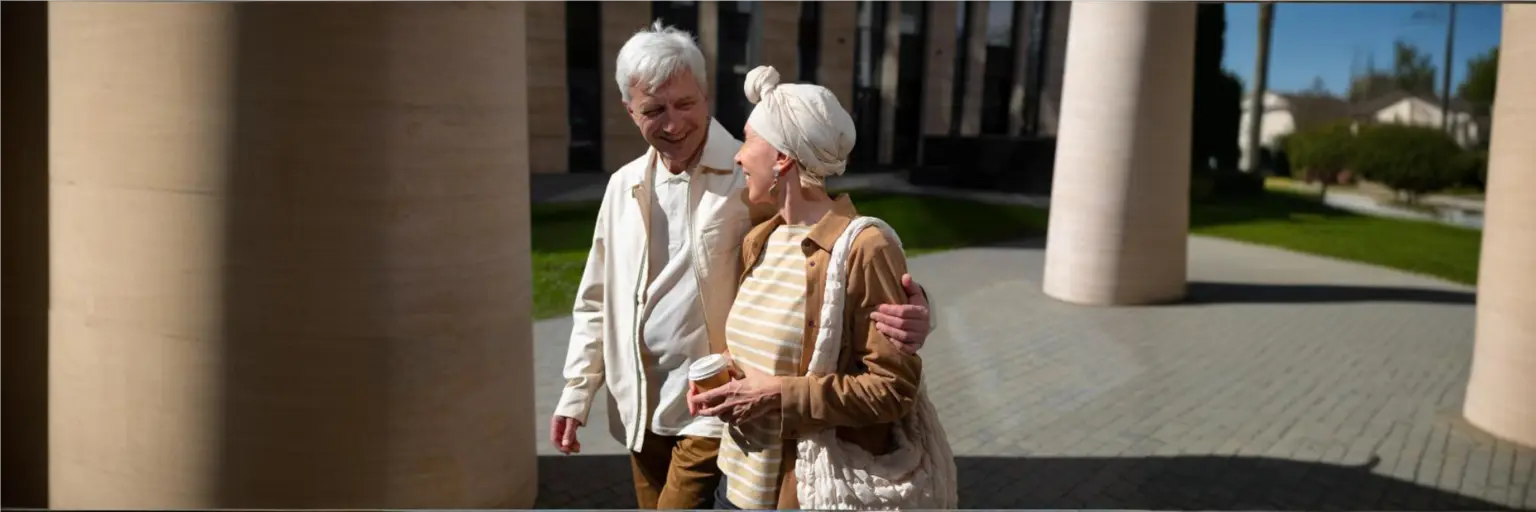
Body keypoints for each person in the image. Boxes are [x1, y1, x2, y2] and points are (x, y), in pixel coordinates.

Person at [550, 22, 939, 510]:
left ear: (705, 93)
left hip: (715, 411)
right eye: (653, 111)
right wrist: (576, 391)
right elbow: (595, 296)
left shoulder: (750, 177)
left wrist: (919, 310)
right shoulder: (623, 184)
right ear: (630, 111)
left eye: (685, 104)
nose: (672, 124)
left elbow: (841, 251)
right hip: (638, 406)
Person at [687, 66, 931, 510]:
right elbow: (764, 352)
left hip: (802, 494)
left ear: (781, 158)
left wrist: (777, 395)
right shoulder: (761, 239)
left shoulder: (865, 247)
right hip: (733, 486)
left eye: (749, 140)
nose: (739, 157)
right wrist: (721, 381)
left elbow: (893, 389)